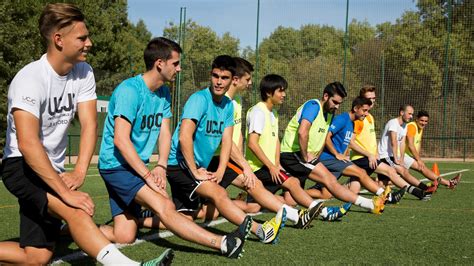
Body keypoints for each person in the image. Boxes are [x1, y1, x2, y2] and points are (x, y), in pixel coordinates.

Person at [0, 3, 171, 265]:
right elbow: (27, 143)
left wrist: (79, 171)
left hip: (49, 168)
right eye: (82, 37)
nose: (89, 43)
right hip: (21, 165)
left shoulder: (84, 72)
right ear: (58, 39)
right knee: (75, 209)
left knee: (36, 258)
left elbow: (90, 125)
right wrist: (65, 193)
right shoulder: (30, 79)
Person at [97, 39, 250, 259]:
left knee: (125, 235)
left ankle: (73, 227)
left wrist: (160, 165)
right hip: (116, 166)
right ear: (160, 63)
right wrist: (148, 176)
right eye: (176, 63)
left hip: (135, 166)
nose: (179, 68)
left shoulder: (164, 93)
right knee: (164, 204)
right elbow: (121, 140)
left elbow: (165, 132)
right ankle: (222, 243)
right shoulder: (129, 91)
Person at [166, 55, 284, 244]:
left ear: (232, 80)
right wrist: (195, 171)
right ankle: (260, 230)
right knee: (219, 194)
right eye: (215, 76)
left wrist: (221, 170)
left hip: (197, 166)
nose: (219, 82)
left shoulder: (228, 106)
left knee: (186, 217)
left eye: (224, 78)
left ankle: (142, 218)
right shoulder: (199, 99)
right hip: (179, 165)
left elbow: (227, 141)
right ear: (210, 75)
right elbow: (184, 136)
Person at [198, 57, 316, 230]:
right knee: (206, 212)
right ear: (235, 79)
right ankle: (154, 214)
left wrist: (239, 162)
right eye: (248, 79)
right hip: (208, 160)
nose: (250, 83)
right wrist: (245, 165)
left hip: (225, 159)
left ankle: (294, 217)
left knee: (250, 190)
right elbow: (228, 141)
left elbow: (235, 138)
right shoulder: (215, 101)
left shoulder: (235, 103)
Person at [279, 82, 385, 219]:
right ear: (325, 96)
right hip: (294, 154)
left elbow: (322, 138)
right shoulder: (313, 106)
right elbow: (302, 132)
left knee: (290, 201)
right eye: (335, 102)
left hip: (300, 156)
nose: (337, 106)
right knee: (329, 180)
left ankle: (250, 201)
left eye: (339, 103)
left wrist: (316, 154)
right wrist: (306, 156)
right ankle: (369, 204)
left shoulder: (329, 114)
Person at [239, 74, 325, 227]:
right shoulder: (258, 111)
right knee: (292, 182)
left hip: (270, 166)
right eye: (280, 91)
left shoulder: (273, 113)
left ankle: (228, 203)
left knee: (253, 207)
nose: (284, 94)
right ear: (268, 93)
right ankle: (315, 209)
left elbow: (276, 140)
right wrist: (271, 166)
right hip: (258, 168)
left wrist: (277, 163)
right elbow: (252, 143)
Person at [349, 85, 427, 203]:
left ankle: (321, 191)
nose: (373, 100)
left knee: (352, 188)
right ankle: (417, 192)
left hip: (370, 158)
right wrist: (369, 155)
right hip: (362, 158)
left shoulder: (370, 117)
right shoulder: (360, 119)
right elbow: (351, 142)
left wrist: (374, 154)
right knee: (391, 171)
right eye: (369, 98)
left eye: (374, 98)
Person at [318, 97, 397, 206]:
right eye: (364, 110)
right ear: (355, 108)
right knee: (361, 172)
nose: (366, 113)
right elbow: (326, 136)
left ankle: (296, 195)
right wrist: (337, 154)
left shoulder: (353, 123)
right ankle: (386, 196)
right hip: (328, 158)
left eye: (368, 111)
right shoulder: (342, 119)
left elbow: (345, 143)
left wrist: (344, 155)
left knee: (325, 194)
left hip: (335, 161)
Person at [378, 105, 433, 200]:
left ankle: (425, 188)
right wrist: (396, 159)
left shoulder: (404, 126)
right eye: (409, 113)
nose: (411, 116)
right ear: (401, 113)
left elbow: (402, 143)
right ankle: (420, 193)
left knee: (382, 183)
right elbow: (394, 141)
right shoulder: (393, 123)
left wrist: (402, 158)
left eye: (412, 114)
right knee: (401, 171)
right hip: (384, 156)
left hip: (391, 156)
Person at [404, 110, 461, 190]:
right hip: (401, 155)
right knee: (421, 169)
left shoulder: (420, 128)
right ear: (416, 119)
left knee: (397, 176)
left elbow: (418, 144)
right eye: (421, 120)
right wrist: (418, 159)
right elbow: (410, 145)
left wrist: (417, 157)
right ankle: (448, 183)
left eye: (426, 121)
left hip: (406, 155)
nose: (423, 123)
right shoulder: (412, 126)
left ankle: (428, 187)